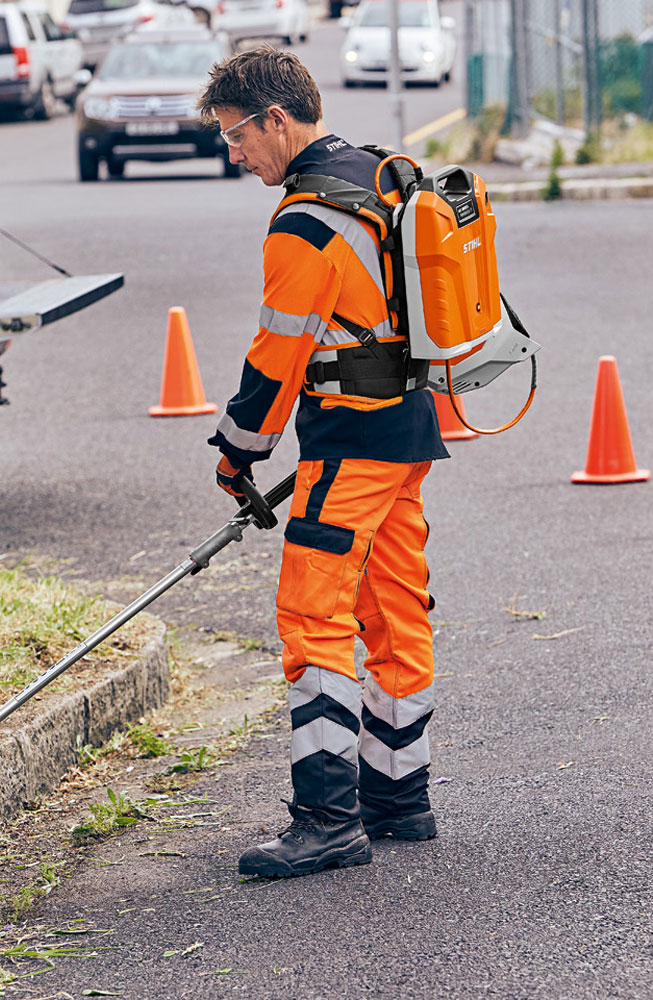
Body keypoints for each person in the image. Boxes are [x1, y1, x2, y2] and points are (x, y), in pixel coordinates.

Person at [198, 46, 450, 878]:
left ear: (276, 118)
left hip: (346, 443)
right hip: (406, 433)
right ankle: (398, 798)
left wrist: (238, 453)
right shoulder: (380, 172)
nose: (233, 155)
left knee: (314, 620)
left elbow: (277, 356)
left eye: (236, 136)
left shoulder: (306, 216)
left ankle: (328, 820)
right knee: (394, 611)